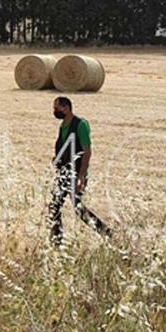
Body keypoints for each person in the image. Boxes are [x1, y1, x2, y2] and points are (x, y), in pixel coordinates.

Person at [48, 97, 113, 245]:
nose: (54, 112)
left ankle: (105, 232)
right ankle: (56, 241)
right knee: (54, 206)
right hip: (63, 173)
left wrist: (81, 176)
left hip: (76, 173)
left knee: (77, 208)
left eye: (57, 108)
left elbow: (87, 151)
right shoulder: (63, 126)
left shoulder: (80, 125)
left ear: (66, 108)